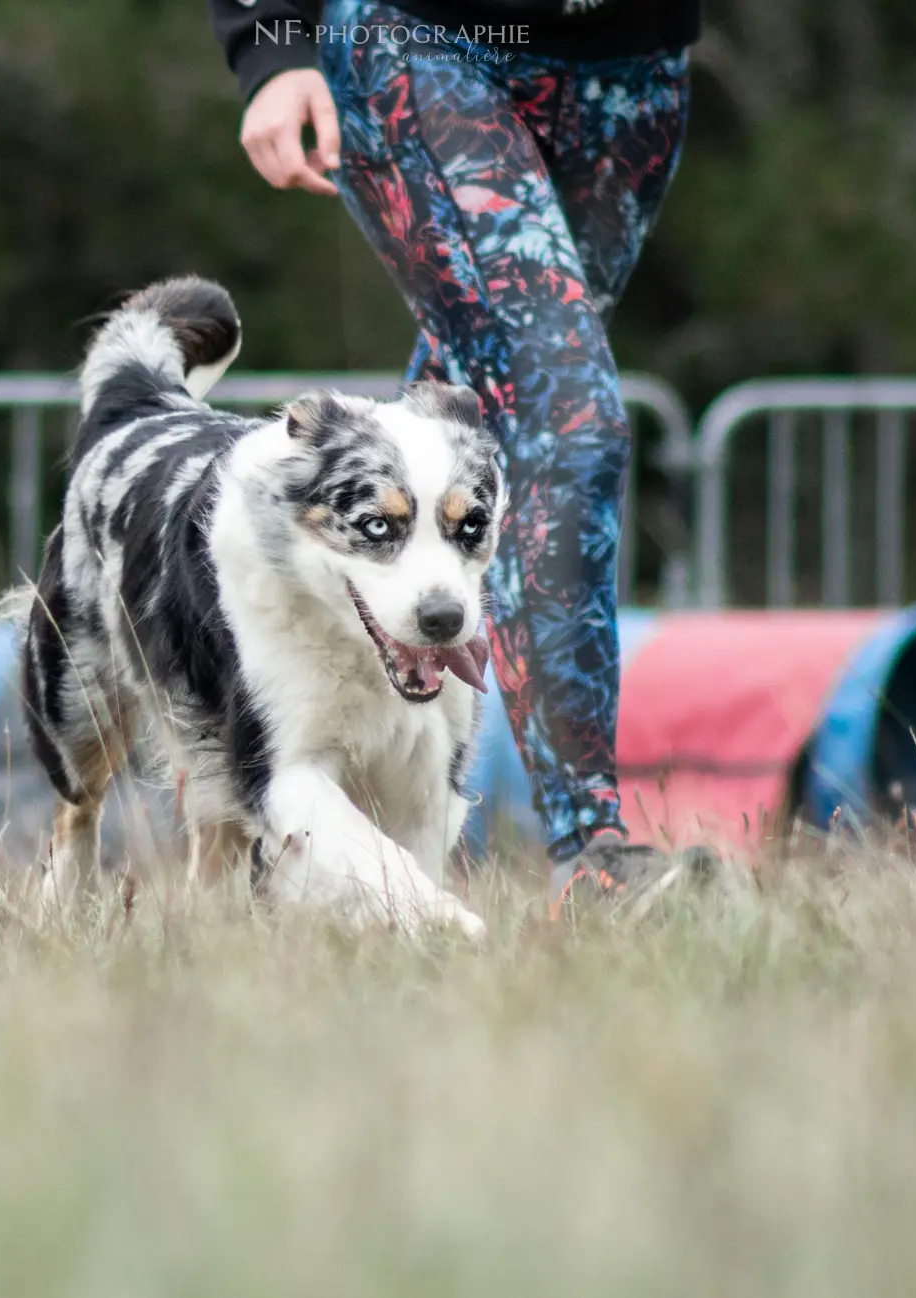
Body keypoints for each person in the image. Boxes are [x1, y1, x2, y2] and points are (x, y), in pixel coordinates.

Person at [207, 0, 707, 915]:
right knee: (569, 420)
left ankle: (324, 821)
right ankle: (592, 857)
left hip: (634, 67)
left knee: (466, 410)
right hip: (423, 34)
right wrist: (271, 42)